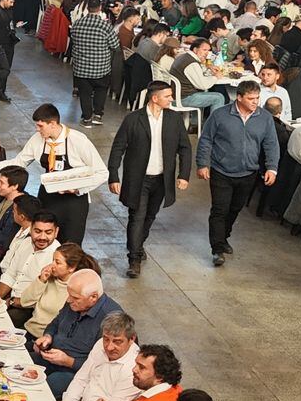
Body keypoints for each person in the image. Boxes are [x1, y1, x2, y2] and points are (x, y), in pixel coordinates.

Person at [108, 81, 194, 277]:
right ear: (155, 98)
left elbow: (185, 148)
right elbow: (118, 148)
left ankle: (137, 244)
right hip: (138, 179)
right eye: (168, 96)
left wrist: (183, 175)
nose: (171, 99)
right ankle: (134, 259)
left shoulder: (174, 119)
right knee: (137, 216)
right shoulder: (133, 119)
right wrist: (114, 175)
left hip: (162, 179)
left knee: (150, 216)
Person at [196, 80, 280, 267]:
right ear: (239, 97)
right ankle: (217, 249)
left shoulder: (264, 118)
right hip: (221, 171)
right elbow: (206, 140)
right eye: (250, 98)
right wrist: (203, 164)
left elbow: (271, 144)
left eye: (257, 98)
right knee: (219, 209)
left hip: (248, 173)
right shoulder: (220, 115)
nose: (255, 102)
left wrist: (272, 168)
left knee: (235, 208)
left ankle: (224, 237)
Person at [8, 104, 106, 245]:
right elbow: (18, 162)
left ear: (53, 124)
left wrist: (78, 189)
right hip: (48, 198)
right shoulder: (38, 139)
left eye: (40, 126)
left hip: (73, 203)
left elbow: (102, 173)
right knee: (43, 242)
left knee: (70, 246)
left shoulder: (78, 140)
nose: (37, 129)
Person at [31, 269, 121, 397]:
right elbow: (56, 322)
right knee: (17, 364)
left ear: (93, 297)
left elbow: (104, 367)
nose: (68, 300)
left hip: (76, 372)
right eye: (69, 295)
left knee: (44, 390)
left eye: (75, 298)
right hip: (52, 357)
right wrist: (47, 337)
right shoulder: (75, 303)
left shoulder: (111, 320)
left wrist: (68, 361)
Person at [59, 311, 141, 401]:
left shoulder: (134, 369)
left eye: (117, 342)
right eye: (106, 339)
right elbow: (82, 379)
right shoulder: (100, 345)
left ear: (132, 339)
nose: (109, 347)